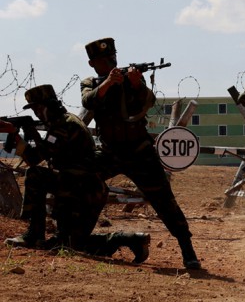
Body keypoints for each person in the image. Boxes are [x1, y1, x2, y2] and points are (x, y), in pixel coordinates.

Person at [80, 37, 201, 270]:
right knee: (80, 178)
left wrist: (136, 84)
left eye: (113, 58)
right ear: (92, 63)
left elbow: (148, 102)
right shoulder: (91, 82)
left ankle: (187, 248)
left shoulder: (131, 79)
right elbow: (88, 100)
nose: (111, 62)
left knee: (164, 200)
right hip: (109, 152)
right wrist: (107, 84)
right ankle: (75, 235)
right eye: (105, 60)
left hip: (138, 152)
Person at [1, 85, 150, 263]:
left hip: (80, 191)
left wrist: (14, 135)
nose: (37, 114)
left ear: (48, 106)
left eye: (37, 108)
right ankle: (132, 239)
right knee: (67, 244)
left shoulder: (62, 126)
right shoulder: (67, 122)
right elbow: (49, 151)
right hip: (87, 190)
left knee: (35, 174)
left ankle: (34, 234)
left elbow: (34, 159)